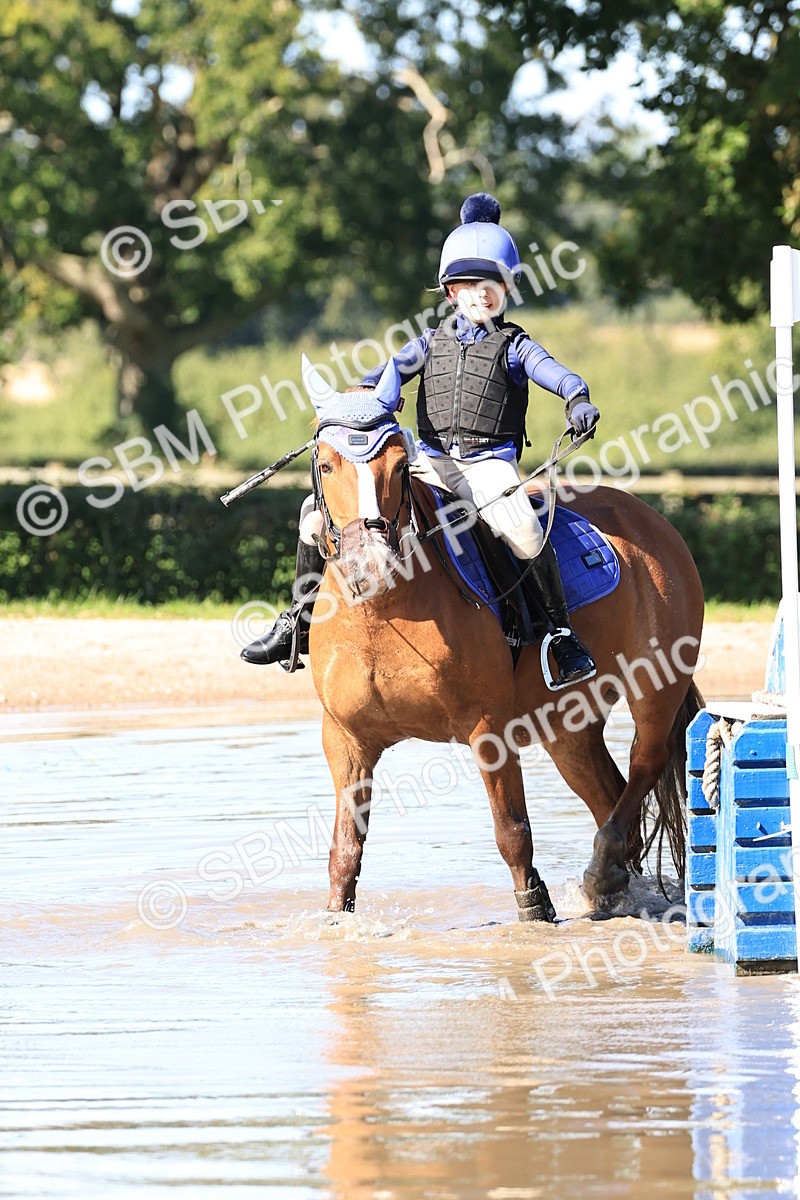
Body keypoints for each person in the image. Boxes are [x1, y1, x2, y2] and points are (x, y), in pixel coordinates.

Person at [242, 192, 599, 685]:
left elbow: (552, 373)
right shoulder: (429, 342)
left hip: (487, 466)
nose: (483, 294)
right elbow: (388, 371)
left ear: (507, 288)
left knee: (524, 529)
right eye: (471, 285)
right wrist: (360, 397)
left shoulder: (516, 345)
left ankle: (560, 632)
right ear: (451, 291)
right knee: (311, 515)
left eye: (494, 283)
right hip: (428, 461)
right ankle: (300, 619)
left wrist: (576, 396)